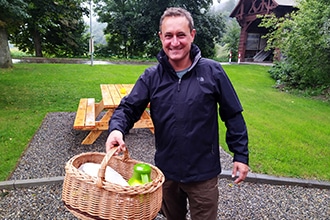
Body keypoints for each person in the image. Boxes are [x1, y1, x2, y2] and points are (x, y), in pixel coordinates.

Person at [105, 7, 249, 220]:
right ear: (161, 37)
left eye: (181, 35)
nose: (175, 42)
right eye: (169, 36)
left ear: (192, 35)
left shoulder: (213, 72)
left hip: (203, 175)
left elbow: (233, 114)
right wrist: (116, 129)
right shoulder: (152, 77)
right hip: (167, 172)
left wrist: (240, 155)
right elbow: (129, 108)